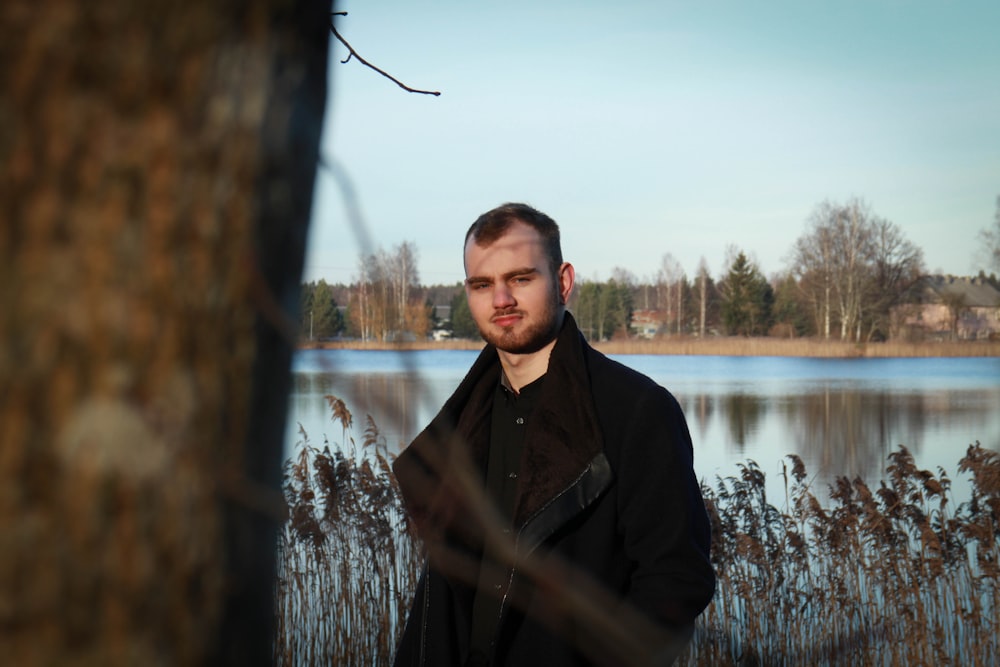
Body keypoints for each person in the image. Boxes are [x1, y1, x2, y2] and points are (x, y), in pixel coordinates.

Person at [392, 203, 715, 666]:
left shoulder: (636, 410)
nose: (500, 299)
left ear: (562, 282)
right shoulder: (461, 425)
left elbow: (677, 579)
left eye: (521, 279)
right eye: (482, 284)